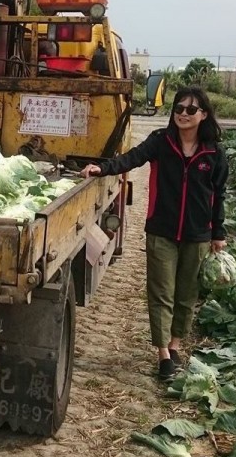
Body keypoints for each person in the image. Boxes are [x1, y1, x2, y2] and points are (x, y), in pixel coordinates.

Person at [80, 87, 228, 381]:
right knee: (161, 293)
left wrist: (218, 233)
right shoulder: (161, 142)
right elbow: (131, 158)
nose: (183, 114)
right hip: (161, 230)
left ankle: (175, 345)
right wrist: (103, 168)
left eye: (190, 109)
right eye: (179, 108)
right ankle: (163, 355)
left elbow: (218, 195)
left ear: (204, 115)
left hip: (197, 235)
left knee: (186, 295)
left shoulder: (213, 153)